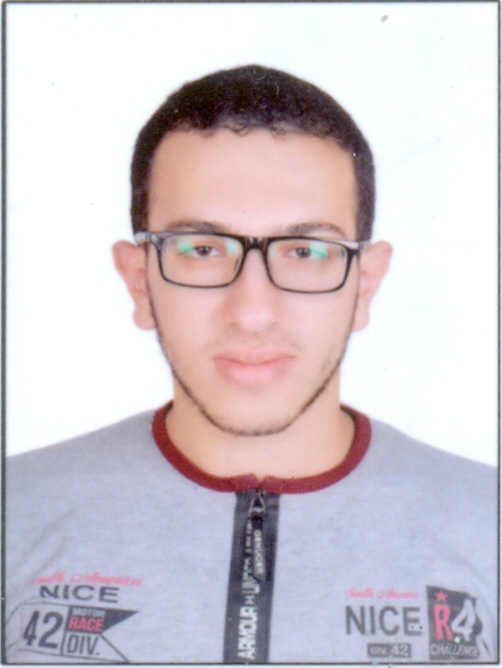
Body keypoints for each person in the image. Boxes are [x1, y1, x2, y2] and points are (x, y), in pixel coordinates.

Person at [5, 65, 496, 664]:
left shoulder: (488, 527)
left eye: (306, 251)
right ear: (138, 281)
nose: (253, 313)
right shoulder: (14, 514)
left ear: (365, 284)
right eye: (202, 249)